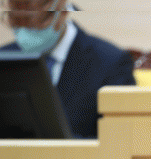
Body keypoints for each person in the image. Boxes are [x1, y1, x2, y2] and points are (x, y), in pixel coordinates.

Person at [0, 0, 136, 138]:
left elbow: (120, 140)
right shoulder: (4, 59)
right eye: (16, 21)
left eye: (34, 22)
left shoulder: (111, 63)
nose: (25, 30)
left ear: (62, 11)